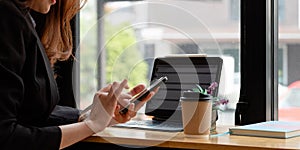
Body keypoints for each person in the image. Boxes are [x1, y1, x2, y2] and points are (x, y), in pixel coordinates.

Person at [0, 0, 156, 149]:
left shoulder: (21, 18)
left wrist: (95, 115)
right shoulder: (7, 18)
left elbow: (28, 114)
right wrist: (91, 125)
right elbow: (7, 137)